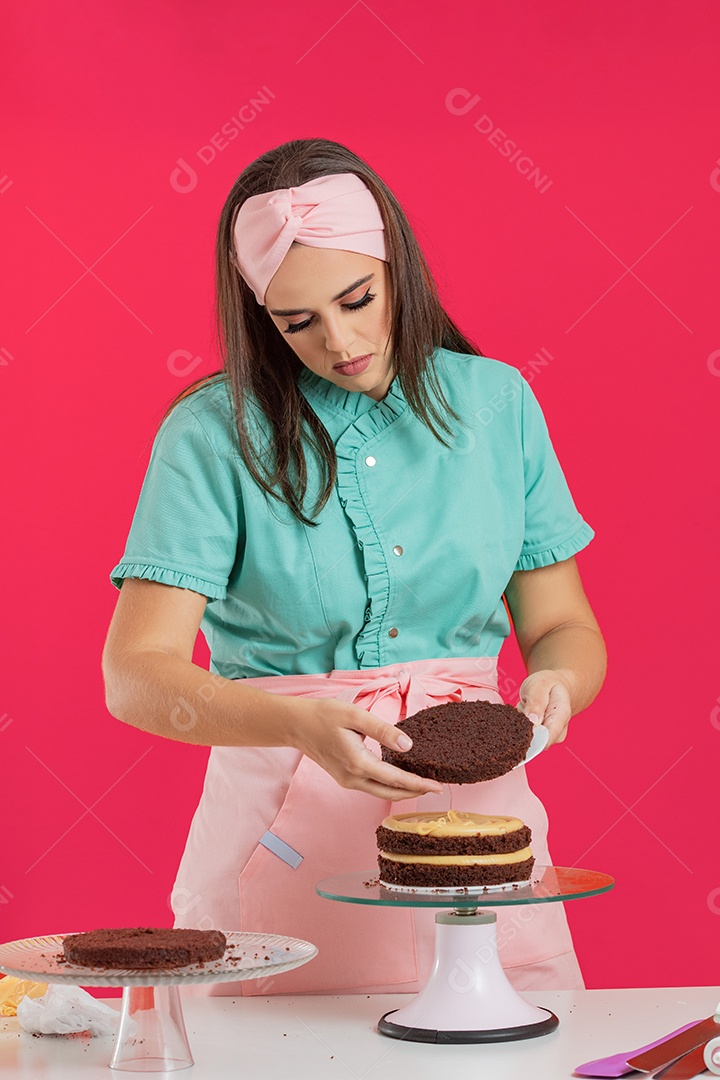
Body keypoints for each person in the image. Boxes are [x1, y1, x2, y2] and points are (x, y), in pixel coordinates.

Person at [103, 137, 607, 997]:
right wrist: (298, 724)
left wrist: (559, 680)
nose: (338, 342)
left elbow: (563, 626)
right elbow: (135, 676)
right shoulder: (211, 435)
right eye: (296, 321)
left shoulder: (499, 406)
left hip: (477, 830)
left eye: (356, 299)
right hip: (280, 826)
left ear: (395, 267)